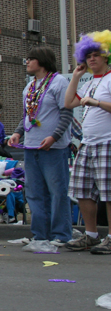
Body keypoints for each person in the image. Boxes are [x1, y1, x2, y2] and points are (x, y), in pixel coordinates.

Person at [7, 46, 73, 247]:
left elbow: (67, 112)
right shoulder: (29, 87)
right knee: (34, 193)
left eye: (31, 58)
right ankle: (40, 235)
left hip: (53, 148)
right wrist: (18, 132)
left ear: (42, 61)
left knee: (57, 191)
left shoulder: (59, 82)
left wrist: (54, 137)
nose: (27, 62)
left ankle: (60, 234)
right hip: (31, 147)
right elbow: (28, 115)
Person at [65, 31, 111, 254]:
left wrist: (97, 102)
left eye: (97, 54)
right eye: (88, 55)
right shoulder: (91, 81)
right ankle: (91, 235)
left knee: (109, 192)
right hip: (88, 143)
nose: (92, 59)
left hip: (107, 142)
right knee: (82, 190)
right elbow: (68, 102)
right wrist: (75, 76)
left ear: (106, 56)